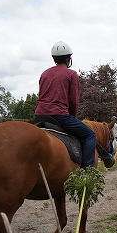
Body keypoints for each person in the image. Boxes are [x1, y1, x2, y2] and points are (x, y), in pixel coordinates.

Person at [35, 41, 97, 169]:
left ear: (54, 59)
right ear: (69, 58)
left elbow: (40, 94)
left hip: (40, 115)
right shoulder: (71, 74)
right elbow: (74, 100)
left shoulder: (44, 73)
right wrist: (72, 116)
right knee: (90, 135)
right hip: (60, 115)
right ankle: (87, 172)